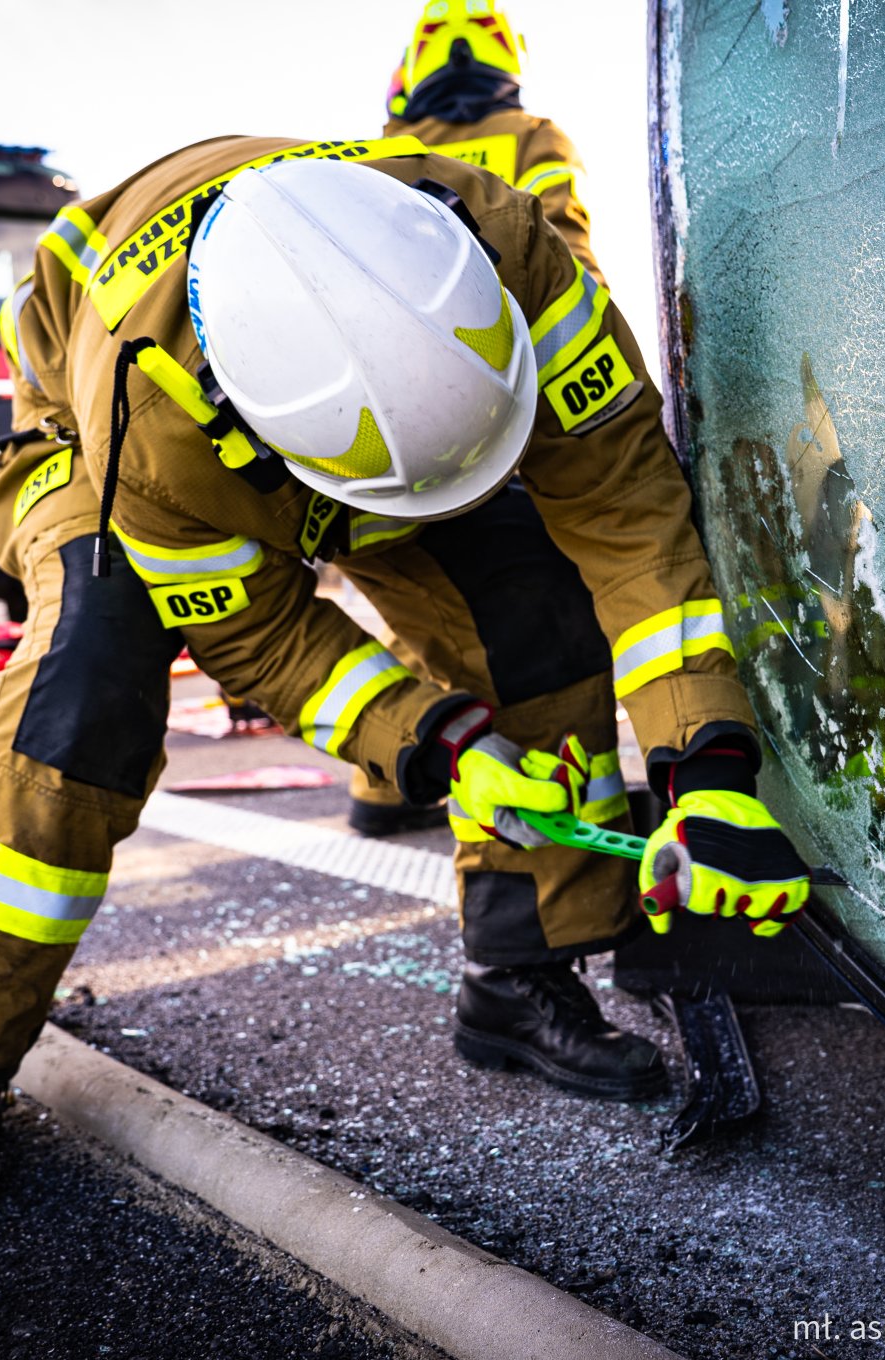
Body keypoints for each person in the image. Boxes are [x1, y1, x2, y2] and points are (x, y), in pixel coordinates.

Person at [0, 137, 812, 1220]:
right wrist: (443, 741)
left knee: (531, 603)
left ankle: (518, 978)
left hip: (378, 411)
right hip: (89, 426)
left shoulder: (520, 260)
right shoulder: (152, 428)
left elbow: (631, 523)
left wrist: (709, 770)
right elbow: (264, 639)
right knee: (85, 688)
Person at [346, 0, 601, 836]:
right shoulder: (533, 136)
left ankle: (385, 788)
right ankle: (547, 804)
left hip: (399, 395)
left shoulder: (384, 148)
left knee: (431, 596)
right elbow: (565, 249)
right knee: (523, 593)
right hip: (507, 374)